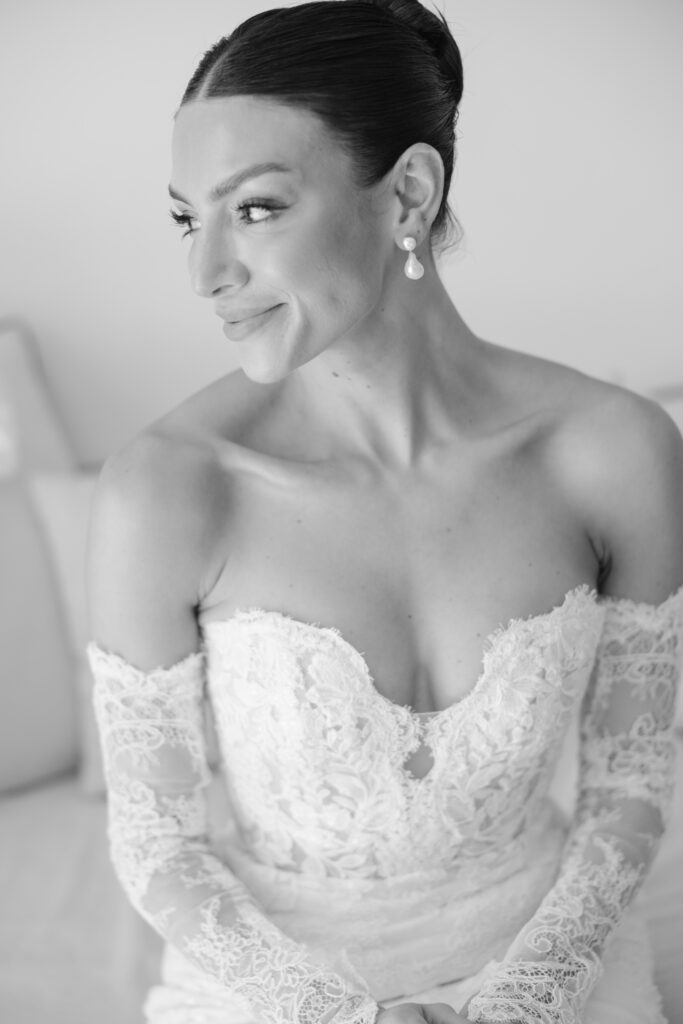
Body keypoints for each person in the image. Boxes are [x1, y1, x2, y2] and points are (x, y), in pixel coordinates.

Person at [85, 1, 683, 1022]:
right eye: (189, 217)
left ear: (407, 191)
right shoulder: (167, 487)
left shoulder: (615, 452)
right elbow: (158, 839)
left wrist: (526, 998)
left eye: (257, 209)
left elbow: (627, 787)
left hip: (548, 956)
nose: (205, 273)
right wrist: (342, 1014)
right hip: (279, 982)